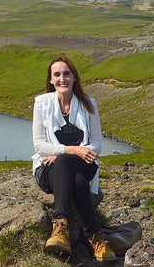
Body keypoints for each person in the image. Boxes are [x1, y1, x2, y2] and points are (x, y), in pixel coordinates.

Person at [32, 55, 115, 262]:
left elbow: (96, 144)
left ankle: (60, 227)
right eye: (57, 74)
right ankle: (95, 237)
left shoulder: (89, 105)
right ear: (51, 80)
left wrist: (63, 152)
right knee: (73, 175)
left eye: (66, 73)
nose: (62, 79)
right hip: (48, 169)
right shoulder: (41, 104)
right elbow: (39, 145)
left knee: (64, 162)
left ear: (74, 77)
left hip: (83, 164)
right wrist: (71, 150)